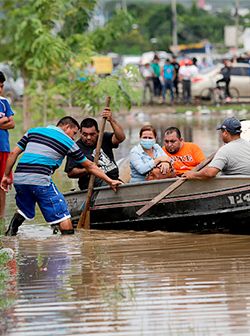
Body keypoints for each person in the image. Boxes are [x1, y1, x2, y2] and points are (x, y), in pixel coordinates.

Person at [1, 116, 122, 236]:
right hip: (40, 179)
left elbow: (13, 153)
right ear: (67, 127)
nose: (73, 137)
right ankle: (66, 247)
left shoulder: (33, 131)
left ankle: (10, 234)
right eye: (74, 133)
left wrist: (6, 176)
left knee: (24, 209)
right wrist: (110, 181)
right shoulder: (67, 141)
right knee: (64, 218)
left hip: (20, 179)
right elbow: (90, 166)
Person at [65, 108, 125, 190]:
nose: (88, 137)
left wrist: (111, 120)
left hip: (114, 179)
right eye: (85, 134)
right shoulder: (75, 148)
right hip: (92, 185)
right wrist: (88, 169)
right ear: (80, 133)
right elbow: (71, 173)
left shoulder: (104, 138)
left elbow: (121, 138)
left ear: (98, 132)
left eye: (92, 134)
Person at [183, 117, 250, 180]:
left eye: (221, 132)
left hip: (231, 187)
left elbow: (210, 173)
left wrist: (193, 175)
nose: (221, 135)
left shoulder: (224, 150)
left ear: (226, 133)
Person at [0, 71, 15, 219]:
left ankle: (1, 217)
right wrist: (2, 121)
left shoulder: (4, 102)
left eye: (1, 86)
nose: (0, 89)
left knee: (2, 185)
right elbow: (6, 121)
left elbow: (12, 123)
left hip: (3, 148)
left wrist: (5, 122)